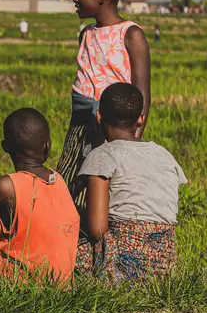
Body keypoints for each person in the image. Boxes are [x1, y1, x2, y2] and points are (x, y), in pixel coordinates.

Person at [56, 0, 151, 211]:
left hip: (115, 125)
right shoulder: (86, 34)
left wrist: (133, 139)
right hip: (81, 123)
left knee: (108, 180)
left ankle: (100, 229)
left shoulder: (130, 34)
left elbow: (141, 92)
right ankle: (73, 228)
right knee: (72, 178)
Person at [77, 83, 185, 282]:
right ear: (141, 119)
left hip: (122, 262)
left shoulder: (102, 155)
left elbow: (97, 229)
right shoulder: (164, 155)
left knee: (63, 250)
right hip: (163, 263)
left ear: (99, 117)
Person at [0, 109, 80, 283]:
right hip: (60, 282)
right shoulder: (58, 180)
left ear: (5, 147)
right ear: (48, 145)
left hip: (19, 283)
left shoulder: (7, 186)